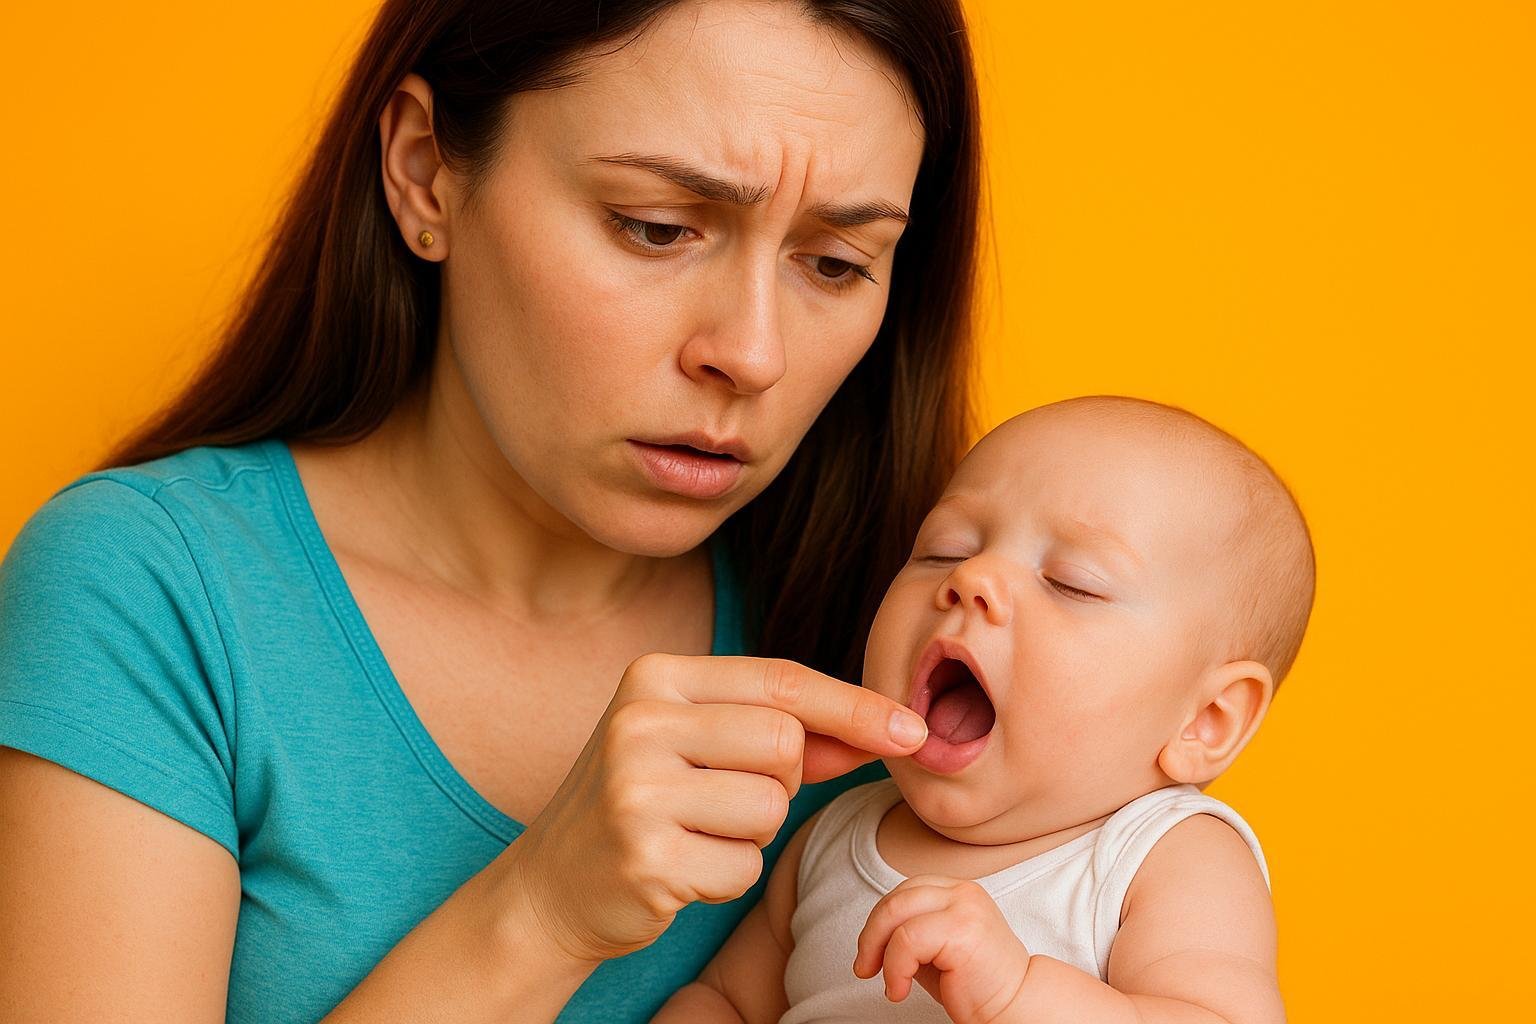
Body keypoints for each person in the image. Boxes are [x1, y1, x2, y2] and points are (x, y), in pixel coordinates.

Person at [0, 1, 985, 1020]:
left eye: (834, 263)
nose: (752, 352)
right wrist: (541, 913)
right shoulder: (153, 593)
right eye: (655, 227)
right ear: (426, 169)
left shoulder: (930, 651)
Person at [656, 395, 1315, 1023]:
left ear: (1207, 720)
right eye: (945, 550)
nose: (970, 579)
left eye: (1071, 583)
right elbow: (729, 1002)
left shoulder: (1161, 857)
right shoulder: (832, 836)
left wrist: (1016, 995)